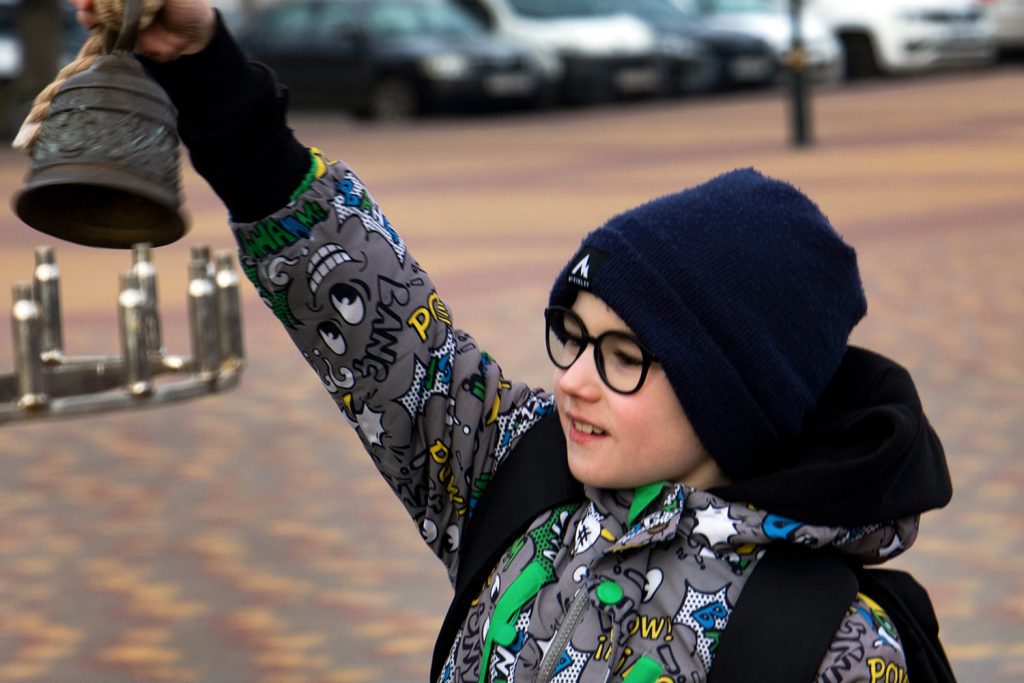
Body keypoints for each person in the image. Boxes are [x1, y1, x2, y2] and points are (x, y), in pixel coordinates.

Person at [70, 1, 953, 681]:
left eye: (623, 356)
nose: (573, 380)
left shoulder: (830, 644)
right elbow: (362, 305)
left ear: (737, 393)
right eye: (570, 336)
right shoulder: (518, 469)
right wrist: (205, 70)